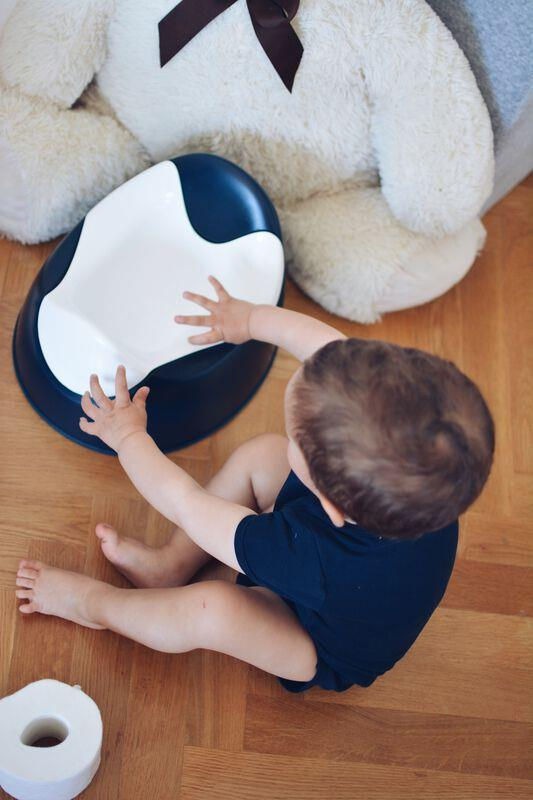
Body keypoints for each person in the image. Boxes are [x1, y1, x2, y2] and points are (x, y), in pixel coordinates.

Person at [15, 277, 495, 691]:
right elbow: (323, 347)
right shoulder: (418, 466)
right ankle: (169, 565)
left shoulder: (307, 557)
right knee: (265, 454)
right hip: (355, 572)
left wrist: (128, 438)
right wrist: (245, 319)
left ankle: (96, 606)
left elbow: (184, 503)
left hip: (316, 640)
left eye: (297, 436)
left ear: (330, 505)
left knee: (212, 610)